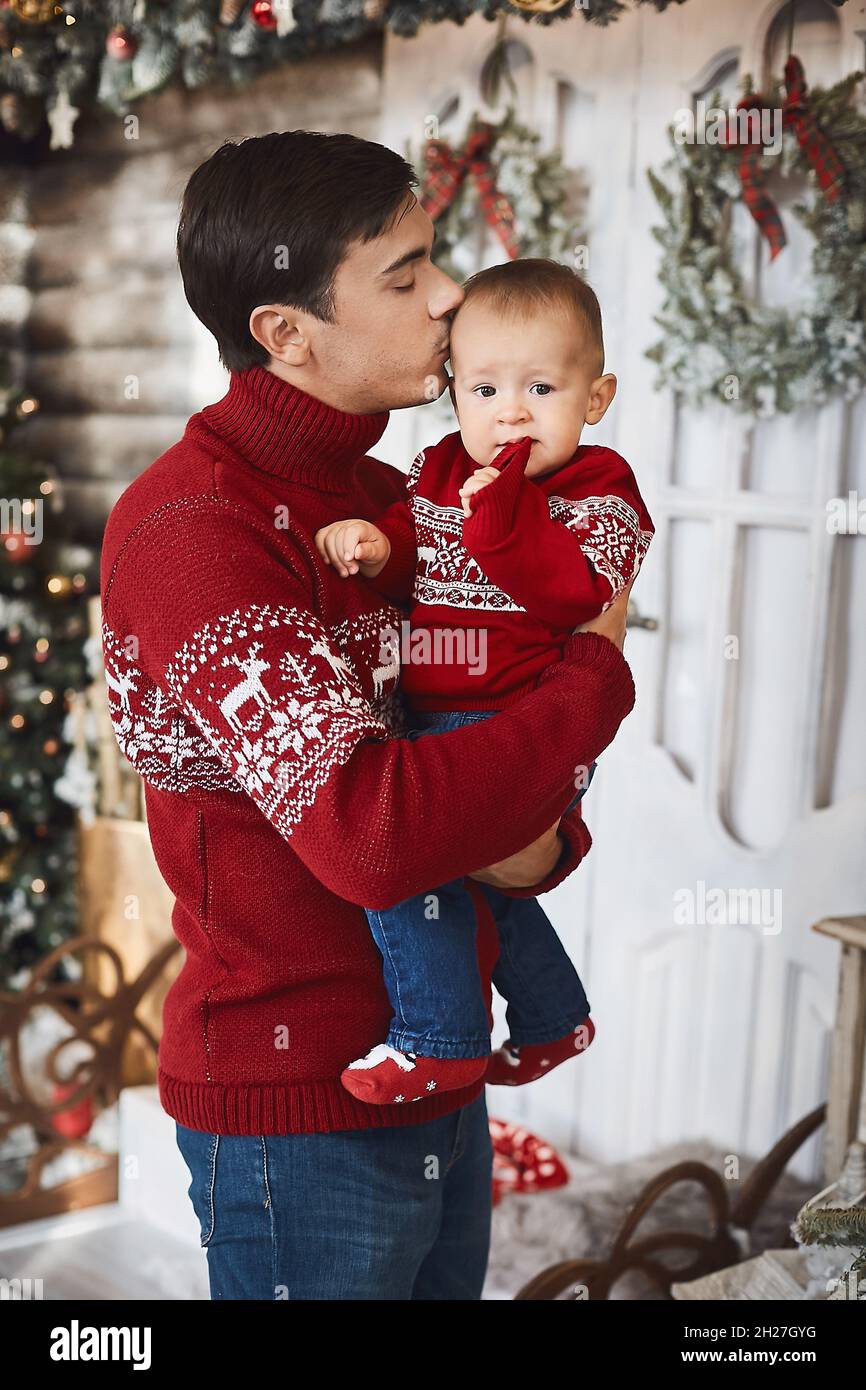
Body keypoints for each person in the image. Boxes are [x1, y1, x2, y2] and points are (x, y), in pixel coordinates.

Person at [99, 130, 636, 1300]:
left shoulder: (396, 503)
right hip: (298, 1115)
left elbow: (502, 733)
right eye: (403, 276)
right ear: (286, 334)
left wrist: (546, 829)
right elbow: (372, 833)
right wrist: (598, 685)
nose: (451, 298)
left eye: (434, 257)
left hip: (443, 1071)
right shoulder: (197, 534)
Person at [315, 258, 655, 1106]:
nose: (509, 411)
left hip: (521, 718)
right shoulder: (436, 471)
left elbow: (577, 592)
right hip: (434, 707)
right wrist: (379, 548)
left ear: (596, 399)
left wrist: (502, 515)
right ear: (455, 395)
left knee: (401, 859)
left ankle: (439, 1039)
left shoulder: (600, 490)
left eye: (541, 388)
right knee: (475, 877)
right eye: (483, 390)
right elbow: (413, 555)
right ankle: (551, 1014)